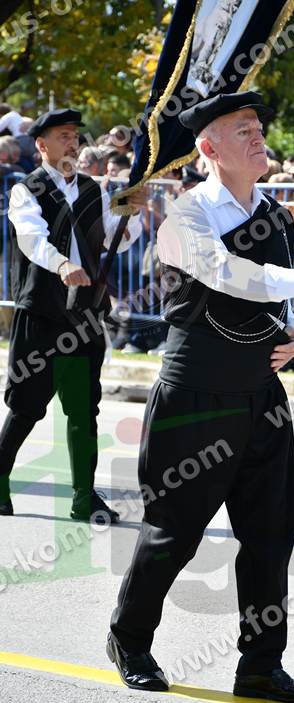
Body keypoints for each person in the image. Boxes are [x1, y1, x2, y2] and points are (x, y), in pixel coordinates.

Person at [108, 91, 294, 701]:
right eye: (243, 130)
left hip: (260, 395)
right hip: (197, 394)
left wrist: (290, 331)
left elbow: (270, 299)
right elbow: (222, 273)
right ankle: (129, 639)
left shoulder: (277, 215)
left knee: (270, 536)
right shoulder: (185, 215)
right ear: (209, 148)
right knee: (174, 533)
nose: (258, 136)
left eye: (258, 126)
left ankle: (261, 666)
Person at [1, 108, 144, 521]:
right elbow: (32, 238)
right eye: (63, 136)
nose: (72, 143)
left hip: (84, 316)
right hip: (42, 312)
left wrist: (132, 214)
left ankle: (84, 497)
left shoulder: (92, 189)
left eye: (75, 136)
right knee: (26, 407)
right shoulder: (26, 190)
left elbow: (117, 236)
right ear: (41, 145)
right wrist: (62, 264)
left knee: (83, 411)